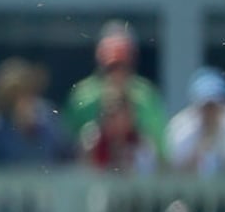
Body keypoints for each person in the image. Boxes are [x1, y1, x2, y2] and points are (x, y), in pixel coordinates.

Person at [63, 20, 168, 166]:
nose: (117, 73)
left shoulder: (146, 95)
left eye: (122, 65)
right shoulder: (82, 96)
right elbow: (66, 144)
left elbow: (162, 150)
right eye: (111, 66)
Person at [0, 57, 71, 168]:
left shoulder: (47, 114)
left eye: (23, 89)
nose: (18, 97)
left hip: (47, 182)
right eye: (12, 92)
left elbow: (65, 152)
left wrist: (34, 131)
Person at [166, 67, 225, 175]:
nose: (210, 112)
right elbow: (171, 169)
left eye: (215, 106)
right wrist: (202, 146)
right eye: (206, 106)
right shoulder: (181, 125)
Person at [77, 86, 158, 174]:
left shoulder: (142, 143)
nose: (117, 124)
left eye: (122, 118)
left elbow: (148, 174)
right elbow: (83, 172)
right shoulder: (92, 139)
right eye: (111, 116)